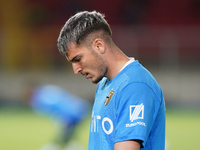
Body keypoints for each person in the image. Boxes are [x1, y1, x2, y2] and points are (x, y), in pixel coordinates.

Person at [57, 11, 165, 150]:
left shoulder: (135, 85)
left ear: (99, 46)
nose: (76, 70)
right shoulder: (104, 83)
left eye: (78, 59)